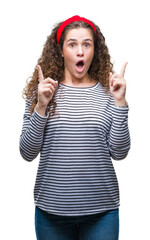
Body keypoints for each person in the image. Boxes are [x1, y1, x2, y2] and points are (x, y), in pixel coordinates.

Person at [20, 15, 130, 240]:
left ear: (94, 51)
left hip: (102, 212)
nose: (80, 51)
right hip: (51, 212)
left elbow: (119, 152)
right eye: (72, 44)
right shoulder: (42, 92)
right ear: (61, 50)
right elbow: (27, 152)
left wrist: (120, 103)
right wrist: (41, 106)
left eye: (86, 44)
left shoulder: (109, 93)